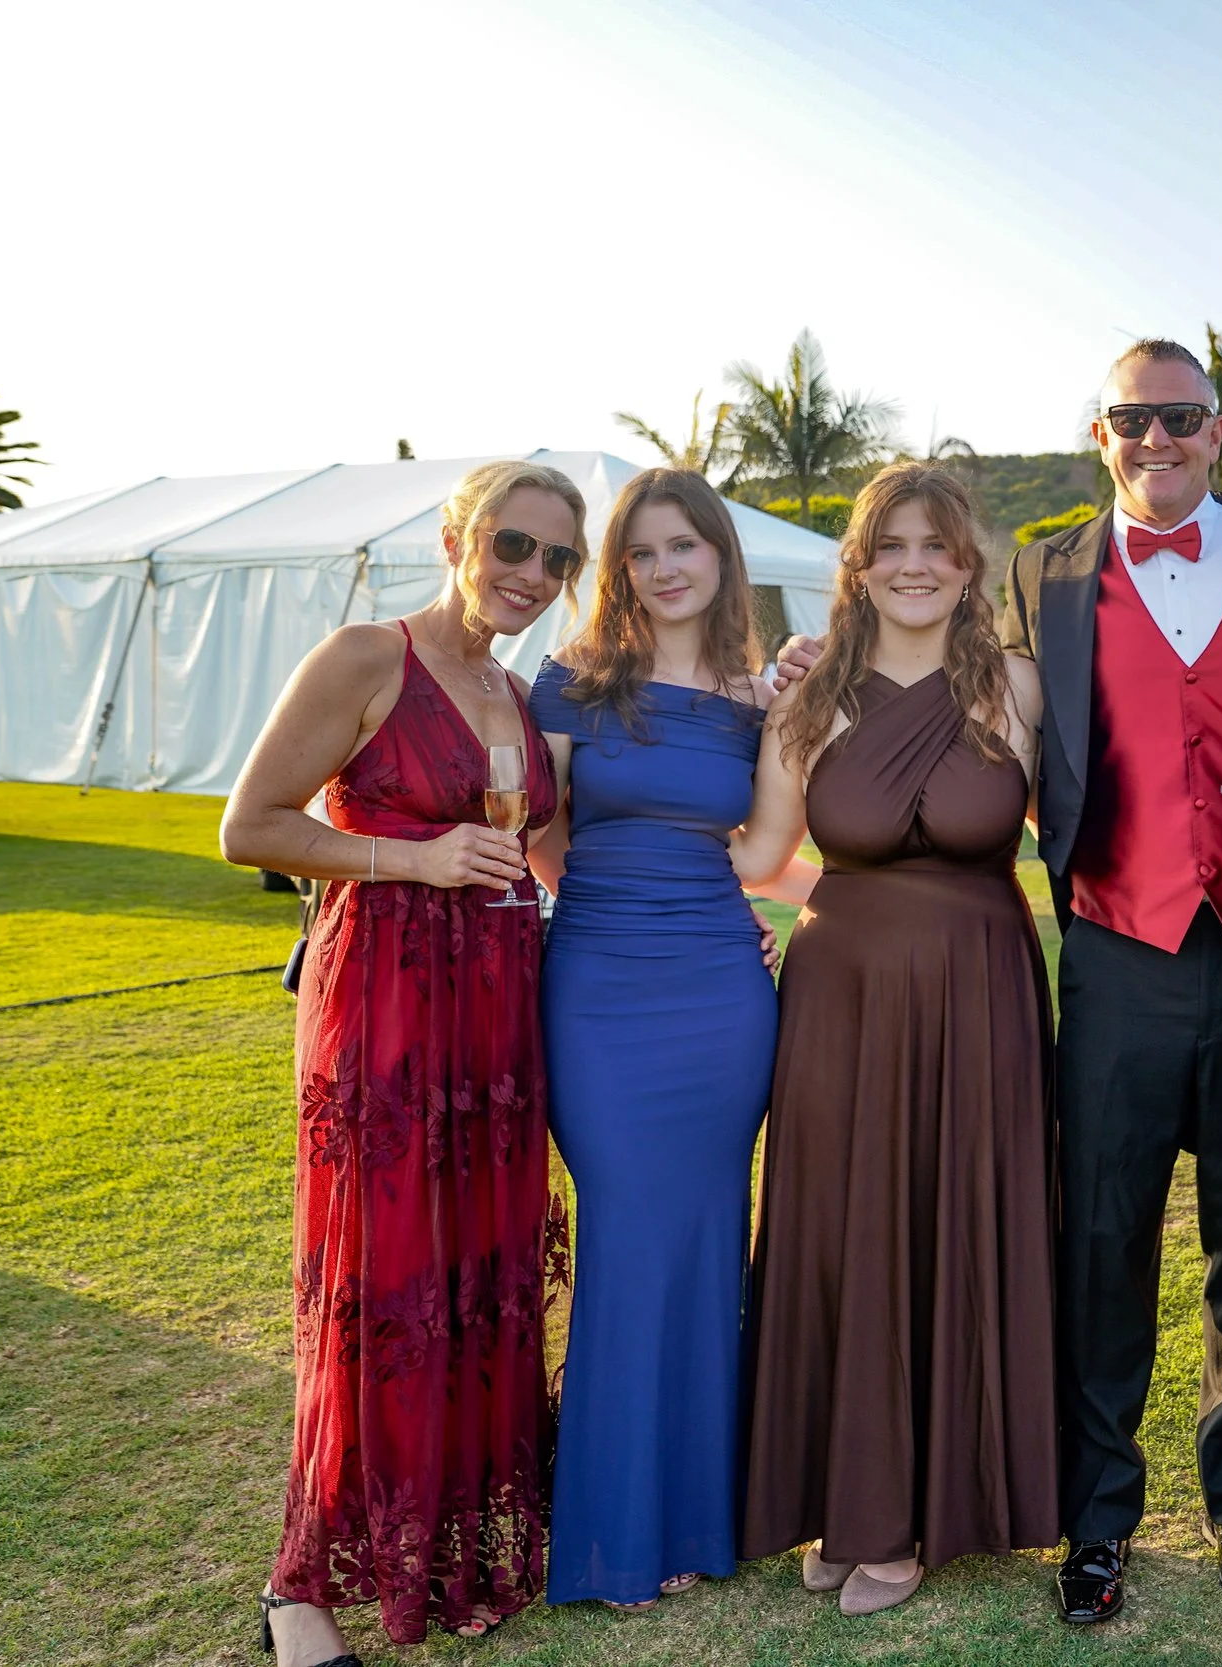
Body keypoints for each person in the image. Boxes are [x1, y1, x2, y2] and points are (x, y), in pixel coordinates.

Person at [221, 459, 587, 1666]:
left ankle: (455, 1536)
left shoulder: (515, 689)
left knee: (475, 1267)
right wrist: (411, 861)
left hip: (495, 1010)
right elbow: (252, 824)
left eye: (557, 559)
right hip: (380, 996)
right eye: (512, 545)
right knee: (379, 1280)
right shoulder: (366, 658)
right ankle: (302, 1588)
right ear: (454, 535)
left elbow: (537, 852)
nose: (531, 574)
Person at [1008, 340, 1222, 1624]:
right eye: (1132, 418)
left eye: (1180, 416)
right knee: (1104, 1243)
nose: (1157, 438)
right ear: (1100, 433)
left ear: (1217, 431)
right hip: (1115, 947)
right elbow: (993, 708)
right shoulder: (1043, 569)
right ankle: (1098, 1519)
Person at [736, 461, 1056, 1617]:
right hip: (839, 991)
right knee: (837, 1227)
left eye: (937, 544)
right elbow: (764, 853)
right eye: (890, 545)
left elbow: (1095, 816)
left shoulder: (1016, 686)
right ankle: (842, 1495)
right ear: (858, 566)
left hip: (981, 991)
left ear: (967, 563)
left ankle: (917, 1515)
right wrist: (591, 853)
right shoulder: (807, 696)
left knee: (949, 1218)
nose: (914, 564)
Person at [524, 467, 802, 1611]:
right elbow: (542, 836)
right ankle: (613, 1524)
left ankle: (701, 1513)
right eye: (645, 551)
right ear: (620, 569)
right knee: (627, 1231)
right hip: (596, 986)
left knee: (703, 1235)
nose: (668, 566)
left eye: (687, 544)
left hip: (719, 992)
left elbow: (763, 853)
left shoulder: (761, 696)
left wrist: (752, 918)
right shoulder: (571, 682)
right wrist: (619, 903)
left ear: (721, 556)